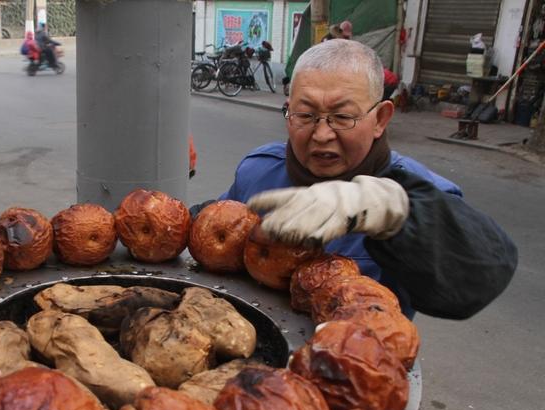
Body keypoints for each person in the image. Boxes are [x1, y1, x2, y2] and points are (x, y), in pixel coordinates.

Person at [216, 39, 517, 320]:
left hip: (354, 354)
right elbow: (212, 240)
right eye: (305, 115)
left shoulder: (415, 194)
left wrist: (393, 214)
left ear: (380, 119)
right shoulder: (260, 169)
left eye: (343, 117)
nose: (322, 134)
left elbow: (480, 274)